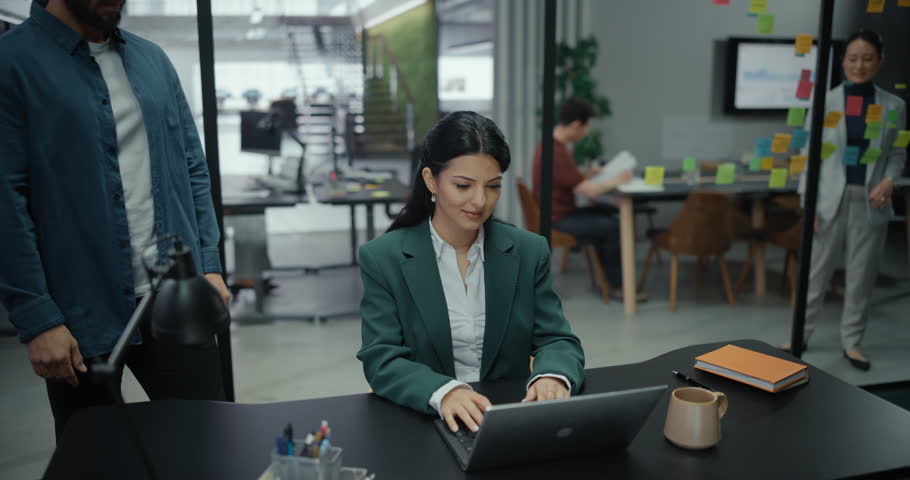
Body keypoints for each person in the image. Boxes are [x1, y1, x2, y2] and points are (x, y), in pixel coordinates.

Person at [0, 0, 231, 440]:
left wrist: (209, 264)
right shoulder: (12, 64)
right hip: (79, 311)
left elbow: (192, 165)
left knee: (207, 444)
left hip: (174, 297)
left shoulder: (152, 60)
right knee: (93, 457)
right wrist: (38, 317)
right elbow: (5, 202)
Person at [357, 112, 585, 434]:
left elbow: (557, 339)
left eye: (492, 187)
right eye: (463, 185)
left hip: (508, 418)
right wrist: (443, 391)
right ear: (431, 180)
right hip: (426, 421)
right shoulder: (384, 258)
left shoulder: (528, 251)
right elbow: (382, 358)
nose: (480, 201)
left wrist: (552, 375)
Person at [787, 30, 906, 370]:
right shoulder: (826, 103)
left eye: (868, 58)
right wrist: (806, 203)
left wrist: (888, 181)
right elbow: (810, 157)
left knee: (861, 277)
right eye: (853, 58)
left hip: (871, 202)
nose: (859, 65)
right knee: (814, 274)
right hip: (827, 200)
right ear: (843, 61)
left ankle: (852, 343)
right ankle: (799, 336)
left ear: (879, 62)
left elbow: (897, 154)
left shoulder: (895, 106)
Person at [531, 97, 645, 301]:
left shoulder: (552, 146)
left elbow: (567, 180)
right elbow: (590, 192)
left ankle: (609, 280)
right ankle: (617, 286)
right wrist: (617, 179)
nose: (586, 133)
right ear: (576, 125)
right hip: (559, 219)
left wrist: (589, 174)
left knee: (607, 214)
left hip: (554, 213)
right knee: (613, 226)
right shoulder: (557, 152)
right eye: (586, 127)